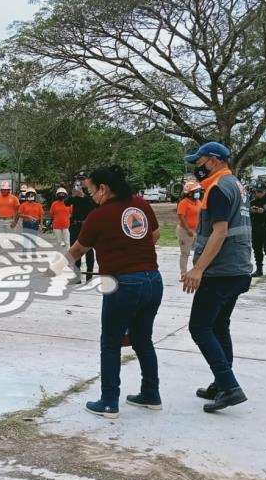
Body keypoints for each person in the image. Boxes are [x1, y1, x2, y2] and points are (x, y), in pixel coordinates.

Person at [50, 165, 163, 419]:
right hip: (153, 281)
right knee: (143, 339)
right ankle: (151, 394)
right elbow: (154, 234)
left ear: (103, 188)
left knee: (111, 342)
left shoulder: (99, 216)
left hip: (122, 284)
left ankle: (109, 401)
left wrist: (53, 270)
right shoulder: (141, 205)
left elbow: (78, 250)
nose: (90, 195)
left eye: (90, 189)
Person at [182, 142, 252, 413]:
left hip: (220, 270)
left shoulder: (218, 188)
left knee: (199, 327)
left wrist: (198, 268)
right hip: (238, 267)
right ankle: (221, 383)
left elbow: (219, 232)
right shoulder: (236, 184)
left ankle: (229, 386)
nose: (195, 168)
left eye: (198, 162)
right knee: (220, 326)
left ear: (212, 160)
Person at [65, 172, 97, 281]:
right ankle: (77, 276)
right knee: (75, 250)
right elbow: (66, 203)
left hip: (87, 225)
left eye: (83, 179)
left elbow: (94, 205)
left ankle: (89, 275)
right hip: (75, 225)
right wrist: (72, 196)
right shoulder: (76, 191)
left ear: (88, 180)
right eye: (79, 179)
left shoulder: (92, 191)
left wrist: (83, 196)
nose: (81, 181)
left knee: (88, 250)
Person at [176, 181, 203, 279]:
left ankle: (197, 272)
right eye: (197, 191)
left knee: (199, 252)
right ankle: (183, 274)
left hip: (196, 231)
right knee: (185, 253)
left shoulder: (199, 202)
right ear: (190, 193)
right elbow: (181, 217)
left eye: (199, 191)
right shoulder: (183, 203)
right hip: (185, 231)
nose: (198, 193)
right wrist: (188, 230)